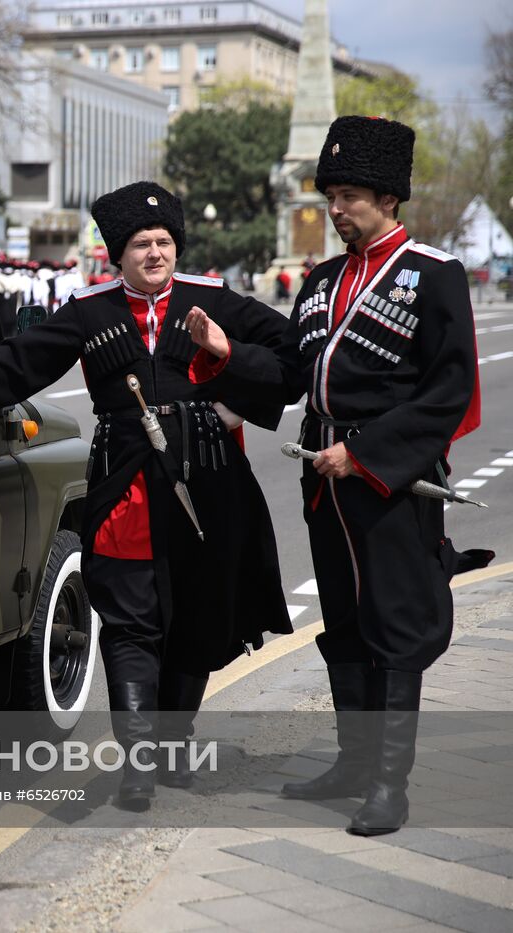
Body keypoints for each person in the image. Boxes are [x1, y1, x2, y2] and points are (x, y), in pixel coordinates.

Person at [0, 181, 293, 810]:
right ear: (119, 252)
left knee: (197, 615)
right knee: (131, 621)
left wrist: (227, 356)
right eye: (142, 244)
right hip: (128, 484)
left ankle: (173, 744)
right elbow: (18, 362)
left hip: (210, 482)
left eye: (165, 241)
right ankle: (139, 760)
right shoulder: (89, 311)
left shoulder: (216, 300)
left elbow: (292, 360)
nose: (156, 253)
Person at [271, 116, 489, 836]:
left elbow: (449, 390)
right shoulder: (323, 278)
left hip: (391, 479)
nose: (335, 209)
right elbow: (291, 372)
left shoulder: (434, 274)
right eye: (331, 194)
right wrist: (220, 352)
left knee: (393, 625)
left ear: (390, 197)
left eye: (351, 195)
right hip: (322, 478)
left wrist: (365, 456)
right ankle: (353, 763)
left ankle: (389, 785)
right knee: (344, 620)